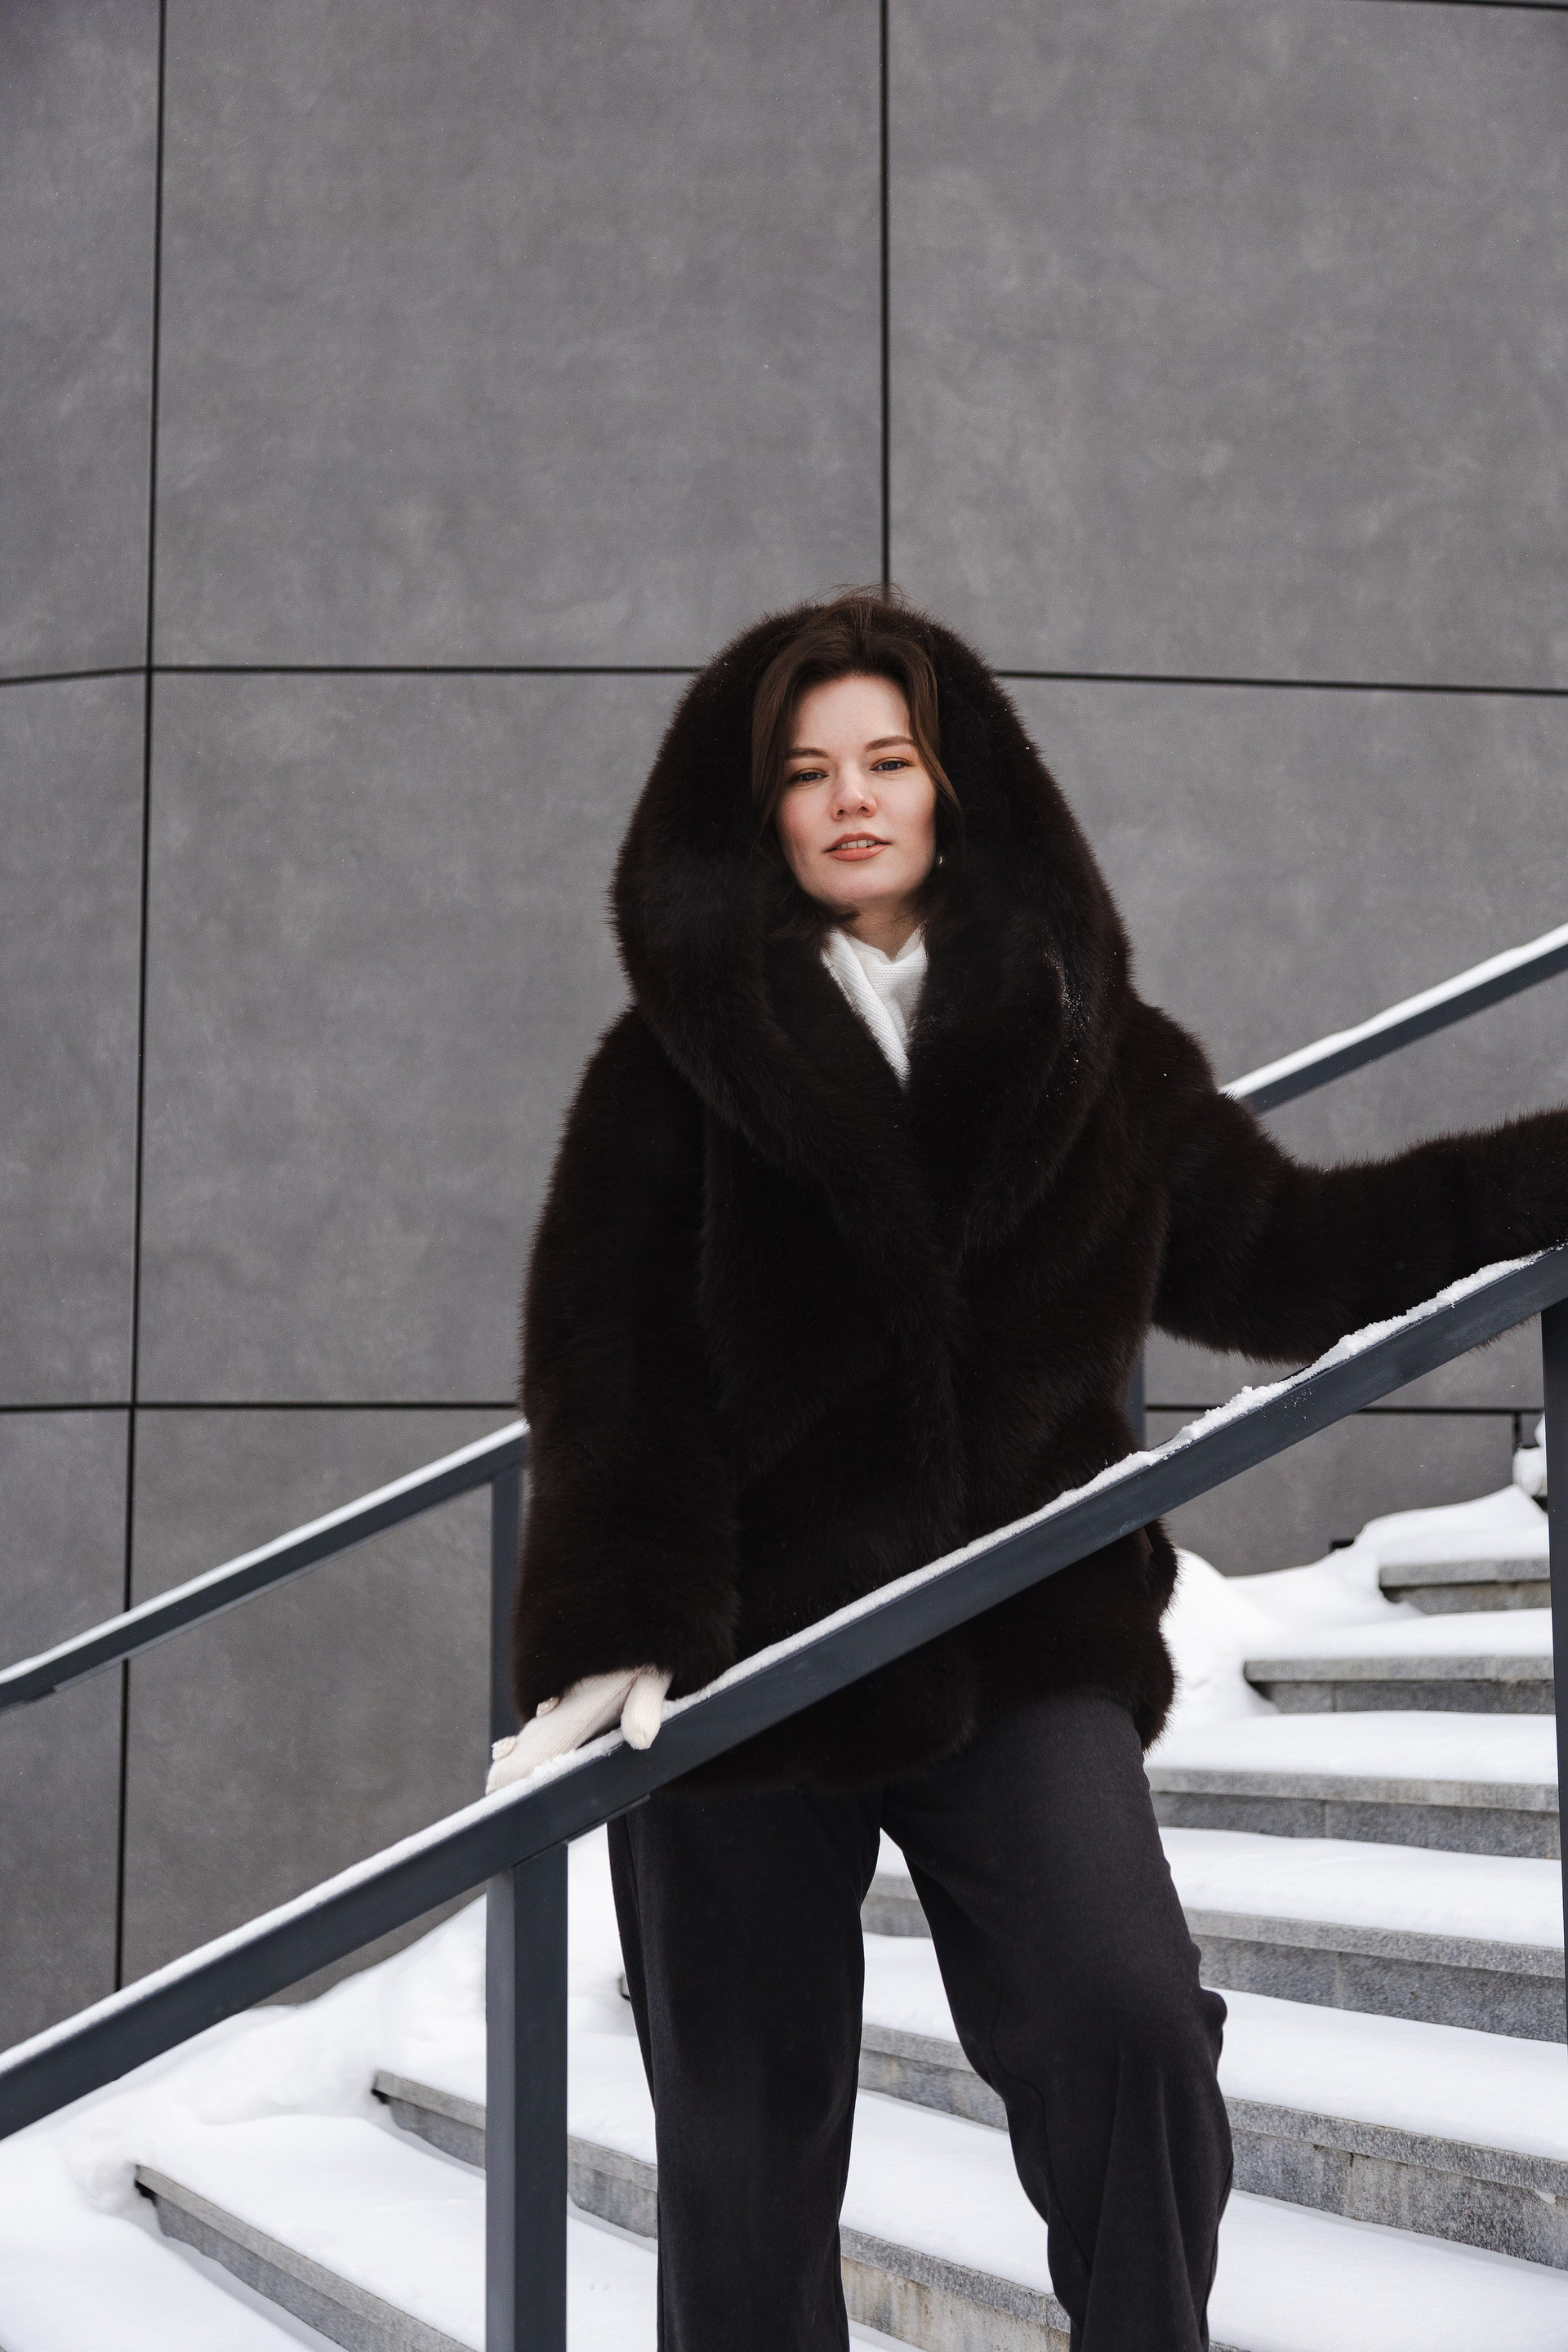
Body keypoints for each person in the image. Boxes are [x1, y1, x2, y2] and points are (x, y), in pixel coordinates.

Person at [488, 590, 1568, 2350]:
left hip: (1021, 1637)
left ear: (954, 785)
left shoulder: (1090, 1052)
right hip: (744, 1665)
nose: (853, 799)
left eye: (890, 760)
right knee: (742, 2152)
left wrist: (1541, 1182)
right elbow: (601, 1362)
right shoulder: (667, 1074)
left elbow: (1294, 1255)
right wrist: (619, 1614)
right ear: (759, 809)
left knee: (1127, 2020)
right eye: (808, 771)